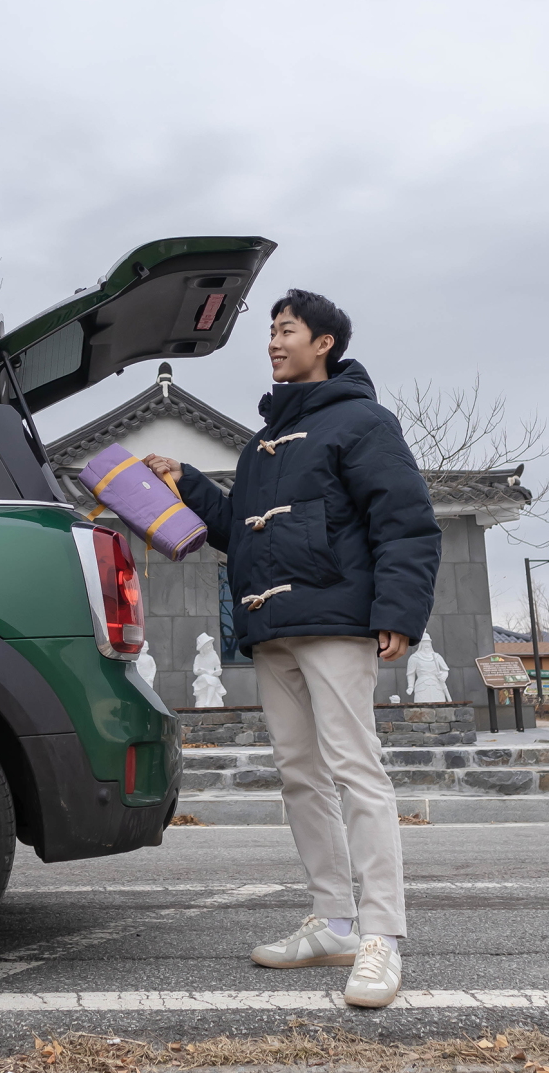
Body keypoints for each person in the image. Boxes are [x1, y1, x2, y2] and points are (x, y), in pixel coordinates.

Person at [144, 289, 441, 1009]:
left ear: (325, 344)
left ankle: (381, 936)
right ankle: (333, 920)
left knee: (356, 769)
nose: (274, 342)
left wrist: (398, 611)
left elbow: (404, 520)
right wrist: (187, 485)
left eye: (287, 331)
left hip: (338, 621)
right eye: (271, 332)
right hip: (272, 631)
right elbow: (243, 530)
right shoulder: (260, 446)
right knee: (301, 776)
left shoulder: (364, 422)